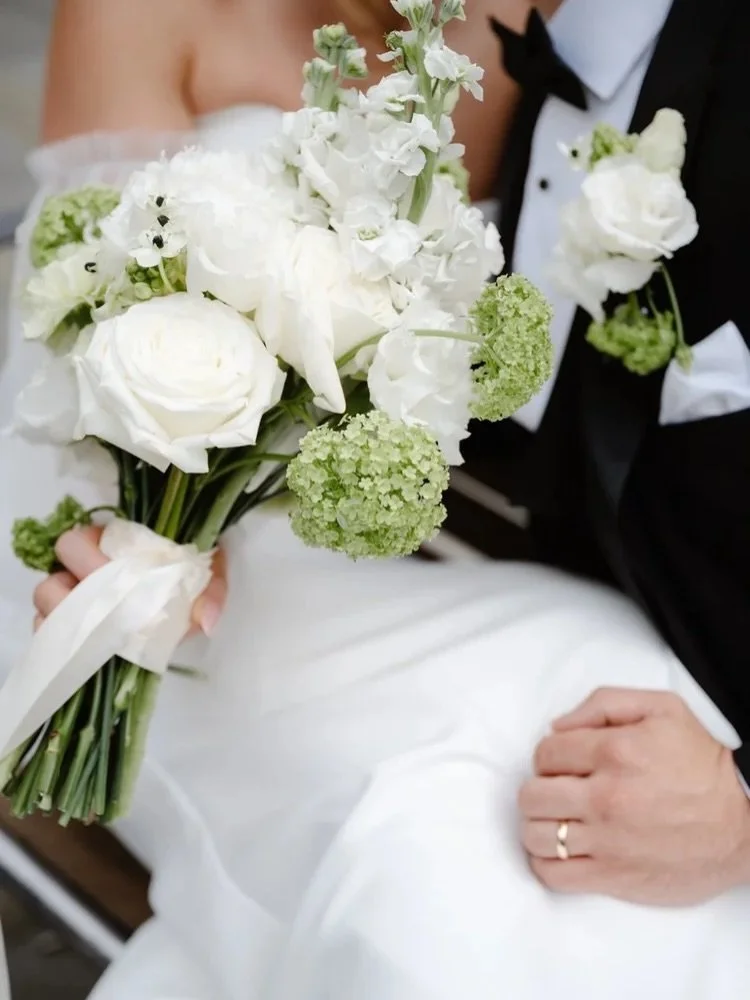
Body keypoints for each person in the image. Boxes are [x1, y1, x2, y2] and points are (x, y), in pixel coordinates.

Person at [4, 0, 750, 997]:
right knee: (435, 867)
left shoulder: (539, 39)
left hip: (388, 542)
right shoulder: (140, 14)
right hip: (121, 548)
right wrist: (146, 532)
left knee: (617, 709)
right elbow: (80, 311)